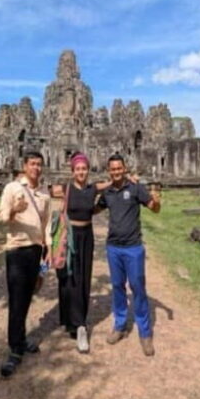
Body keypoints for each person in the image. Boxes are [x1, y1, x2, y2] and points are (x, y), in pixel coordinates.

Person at [96, 153, 161, 357]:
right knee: (117, 287)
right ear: (109, 171)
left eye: (119, 168)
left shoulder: (135, 188)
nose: (116, 172)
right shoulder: (107, 193)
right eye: (113, 169)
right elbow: (93, 209)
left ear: (124, 169)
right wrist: (75, 201)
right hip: (113, 247)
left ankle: (145, 332)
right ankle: (120, 325)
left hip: (133, 247)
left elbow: (154, 208)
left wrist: (157, 200)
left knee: (137, 287)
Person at [0, 151, 52, 378]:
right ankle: (15, 349)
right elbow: (1, 217)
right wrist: (14, 210)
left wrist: (48, 249)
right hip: (17, 250)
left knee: (29, 295)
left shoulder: (44, 194)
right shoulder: (12, 188)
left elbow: (47, 223)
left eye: (39, 164)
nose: (36, 168)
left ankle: (20, 338)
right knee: (17, 299)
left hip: (36, 250)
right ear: (25, 166)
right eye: (32, 164)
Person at [51, 152, 106, 354]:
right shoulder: (65, 189)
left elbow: (109, 184)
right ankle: (71, 320)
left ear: (88, 170)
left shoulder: (92, 189)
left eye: (84, 169)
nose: (81, 172)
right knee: (68, 278)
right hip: (69, 237)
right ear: (72, 171)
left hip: (87, 237)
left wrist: (126, 179)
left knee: (83, 278)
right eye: (78, 169)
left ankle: (80, 323)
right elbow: (43, 190)